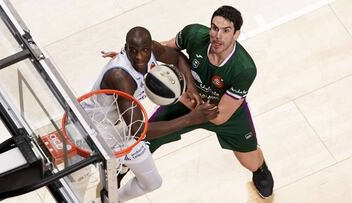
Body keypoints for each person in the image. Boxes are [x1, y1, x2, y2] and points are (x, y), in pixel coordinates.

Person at [146, 5, 274, 199]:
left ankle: (260, 169)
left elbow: (220, 117)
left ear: (236, 34)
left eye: (226, 30)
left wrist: (181, 97)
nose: (217, 36)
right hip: (187, 99)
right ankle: (121, 170)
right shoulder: (195, 34)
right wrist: (135, 58)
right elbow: (165, 48)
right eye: (214, 28)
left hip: (224, 111)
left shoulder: (244, 69)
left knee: (251, 162)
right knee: (146, 135)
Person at [95, 26, 218, 202]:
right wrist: (191, 119)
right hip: (97, 129)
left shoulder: (153, 48)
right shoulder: (120, 76)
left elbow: (178, 57)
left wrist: (190, 84)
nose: (139, 56)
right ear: (126, 47)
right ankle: (117, 172)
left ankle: (111, 199)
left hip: (123, 124)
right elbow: (138, 131)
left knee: (152, 182)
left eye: (144, 50)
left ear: (150, 46)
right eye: (133, 51)